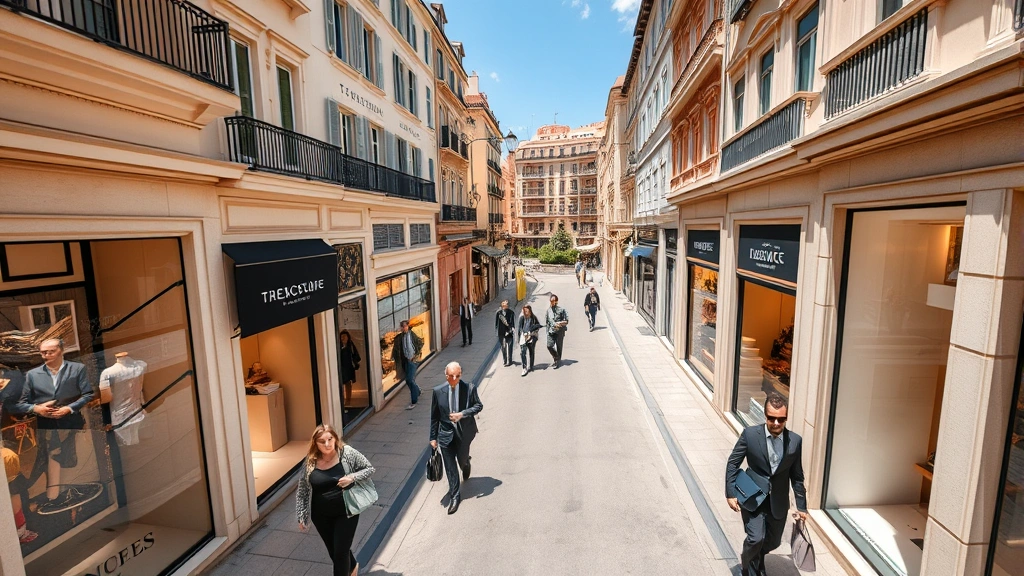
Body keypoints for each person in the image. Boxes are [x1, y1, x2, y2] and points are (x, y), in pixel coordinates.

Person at [725, 392, 808, 576]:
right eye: (772, 418)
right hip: (753, 497)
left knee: (773, 542)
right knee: (755, 539)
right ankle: (748, 566)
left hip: (777, 501)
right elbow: (733, 463)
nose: (776, 423)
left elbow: (797, 476)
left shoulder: (795, 441)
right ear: (765, 416)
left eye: (781, 419)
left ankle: (756, 556)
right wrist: (730, 493)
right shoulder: (750, 435)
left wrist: (802, 506)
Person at [16, 338, 95, 504]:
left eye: (50, 351)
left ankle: (78, 489)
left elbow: (88, 394)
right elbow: (21, 404)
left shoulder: (77, 369)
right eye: (43, 352)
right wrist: (37, 409)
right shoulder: (32, 375)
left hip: (72, 424)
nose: (46, 355)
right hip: (48, 428)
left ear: (61, 350)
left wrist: (69, 408)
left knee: (76, 458)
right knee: (52, 461)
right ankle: (55, 496)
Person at [296, 424, 375, 576]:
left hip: (346, 512)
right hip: (320, 516)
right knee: (335, 551)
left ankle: (348, 569)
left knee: (340, 553)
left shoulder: (347, 453)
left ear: (335, 438)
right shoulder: (311, 461)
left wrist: (352, 477)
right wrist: (302, 515)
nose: (327, 444)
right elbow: (303, 491)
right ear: (315, 444)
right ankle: (352, 567)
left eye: (330, 439)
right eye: (322, 441)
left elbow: (369, 468)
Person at [429, 362, 482, 515]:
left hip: (464, 432)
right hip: (445, 434)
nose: (454, 379)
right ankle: (455, 496)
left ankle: (466, 463)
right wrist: (433, 437)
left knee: (462, 458)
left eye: (457, 376)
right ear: (446, 376)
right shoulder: (438, 391)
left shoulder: (469, 388)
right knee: (450, 467)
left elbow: (478, 406)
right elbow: (434, 416)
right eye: (451, 376)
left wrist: (462, 414)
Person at [390, 321, 423, 410]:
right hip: (406, 361)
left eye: (405, 326)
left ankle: (414, 401)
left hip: (413, 360)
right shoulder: (401, 337)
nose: (403, 328)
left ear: (408, 326)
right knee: (408, 380)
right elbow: (397, 348)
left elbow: (420, 343)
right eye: (402, 327)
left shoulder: (412, 335)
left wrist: (415, 355)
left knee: (409, 379)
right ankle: (417, 390)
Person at [545, 294, 569, 369]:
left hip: (560, 331)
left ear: (556, 301)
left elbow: (566, 320)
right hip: (551, 331)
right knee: (549, 346)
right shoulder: (548, 311)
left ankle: (557, 361)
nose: (552, 302)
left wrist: (560, 323)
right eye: (551, 301)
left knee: (559, 346)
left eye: (553, 301)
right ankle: (556, 357)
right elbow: (547, 321)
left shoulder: (562, 310)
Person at [517, 304, 542, 377]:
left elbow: (538, 326)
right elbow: (520, 328)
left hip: (532, 337)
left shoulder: (533, 318)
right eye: (524, 310)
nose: (525, 312)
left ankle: (531, 366)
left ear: (529, 310)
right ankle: (524, 367)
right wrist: (520, 337)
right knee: (523, 352)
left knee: (531, 351)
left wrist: (532, 333)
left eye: (526, 310)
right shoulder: (522, 318)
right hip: (524, 337)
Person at [338, 330, 361, 408]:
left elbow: (356, 355)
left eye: (344, 336)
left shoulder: (350, 345)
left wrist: (355, 363)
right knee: (341, 384)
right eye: (341, 337)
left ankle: (348, 400)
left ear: (348, 337)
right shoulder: (338, 346)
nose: (343, 338)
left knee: (348, 384)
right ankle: (341, 400)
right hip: (341, 368)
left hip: (349, 367)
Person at [495, 300, 516, 367]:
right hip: (501, 332)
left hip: (509, 332)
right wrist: (496, 332)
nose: (506, 306)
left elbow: (512, 322)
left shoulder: (511, 313)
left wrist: (512, 328)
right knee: (503, 347)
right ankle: (505, 360)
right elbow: (496, 324)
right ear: (502, 306)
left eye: (507, 305)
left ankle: (510, 361)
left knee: (510, 347)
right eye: (504, 305)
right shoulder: (499, 313)